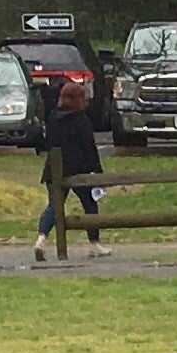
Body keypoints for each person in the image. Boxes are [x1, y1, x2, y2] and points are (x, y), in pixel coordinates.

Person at [34, 72, 103, 260]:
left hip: (54, 169)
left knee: (54, 206)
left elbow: (47, 143)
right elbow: (89, 146)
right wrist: (97, 171)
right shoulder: (80, 119)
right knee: (90, 205)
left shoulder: (53, 118)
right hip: (78, 169)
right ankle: (94, 243)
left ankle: (41, 239)